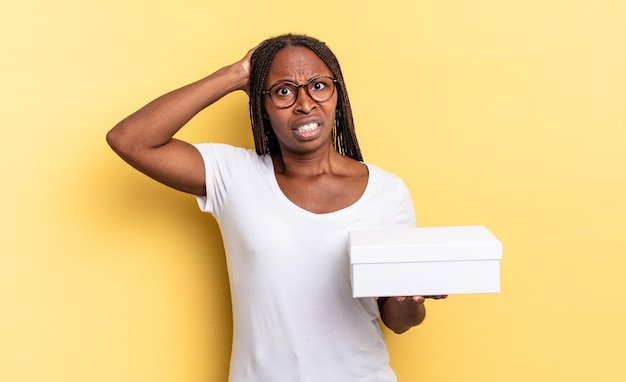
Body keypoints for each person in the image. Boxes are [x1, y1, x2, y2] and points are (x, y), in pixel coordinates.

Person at [107, 33, 445, 382]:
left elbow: (399, 321)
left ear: (337, 95)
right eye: (283, 90)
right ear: (261, 105)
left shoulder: (387, 193)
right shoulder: (234, 176)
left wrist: (411, 300)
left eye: (318, 86)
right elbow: (130, 139)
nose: (305, 103)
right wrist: (237, 74)